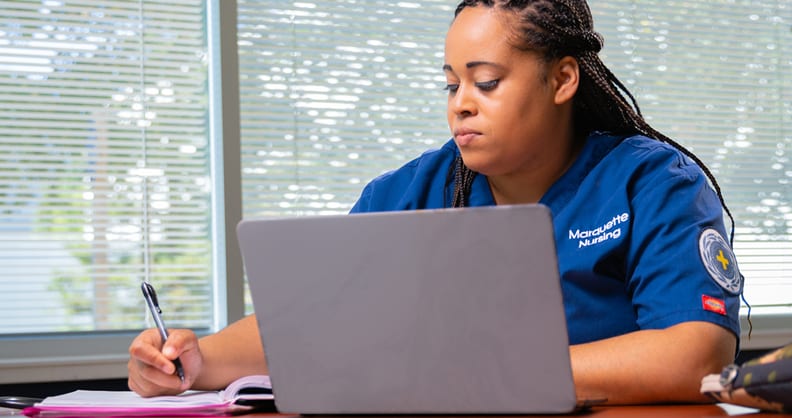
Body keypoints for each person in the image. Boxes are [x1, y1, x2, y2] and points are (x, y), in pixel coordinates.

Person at [128, 0, 742, 405]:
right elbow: (314, 327)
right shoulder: (407, 192)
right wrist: (194, 360)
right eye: (451, 84)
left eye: (486, 81)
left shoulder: (654, 181)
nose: (460, 103)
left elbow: (695, 353)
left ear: (561, 79)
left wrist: (488, 371)